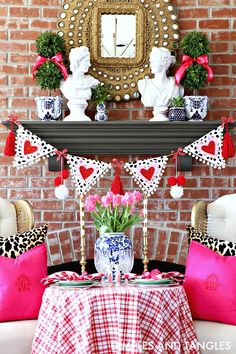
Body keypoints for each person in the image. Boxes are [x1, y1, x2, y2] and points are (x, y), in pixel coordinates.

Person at [138, 47, 184, 121]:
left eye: (154, 61)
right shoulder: (144, 84)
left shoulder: (176, 85)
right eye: (150, 61)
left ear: (164, 62)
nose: (150, 65)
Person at [60, 46, 99, 121]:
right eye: (87, 61)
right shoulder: (65, 82)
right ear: (77, 61)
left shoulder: (92, 82)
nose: (89, 64)